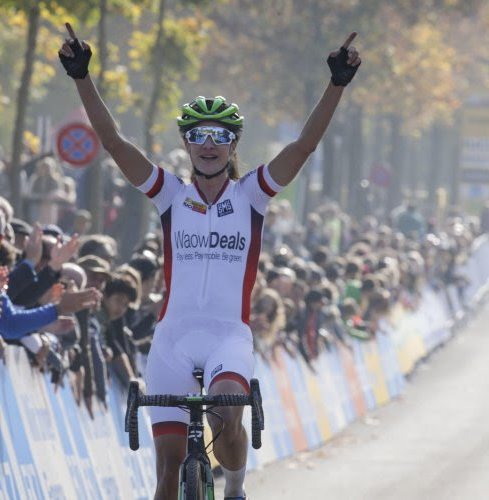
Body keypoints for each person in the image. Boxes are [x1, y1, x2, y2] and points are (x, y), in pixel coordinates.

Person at [59, 22, 360, 500]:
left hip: (228, 336)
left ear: (233, 144)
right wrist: (81, 77)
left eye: (220, 134)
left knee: (225, 411)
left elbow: (303, 147)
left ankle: (236, 486)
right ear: (187, 143)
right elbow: (114, 143)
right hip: (172, 339)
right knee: (166, 475)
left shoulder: (251, 195)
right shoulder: (170, 195)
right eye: (198, 134)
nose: (209, 142)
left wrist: (336, 85)